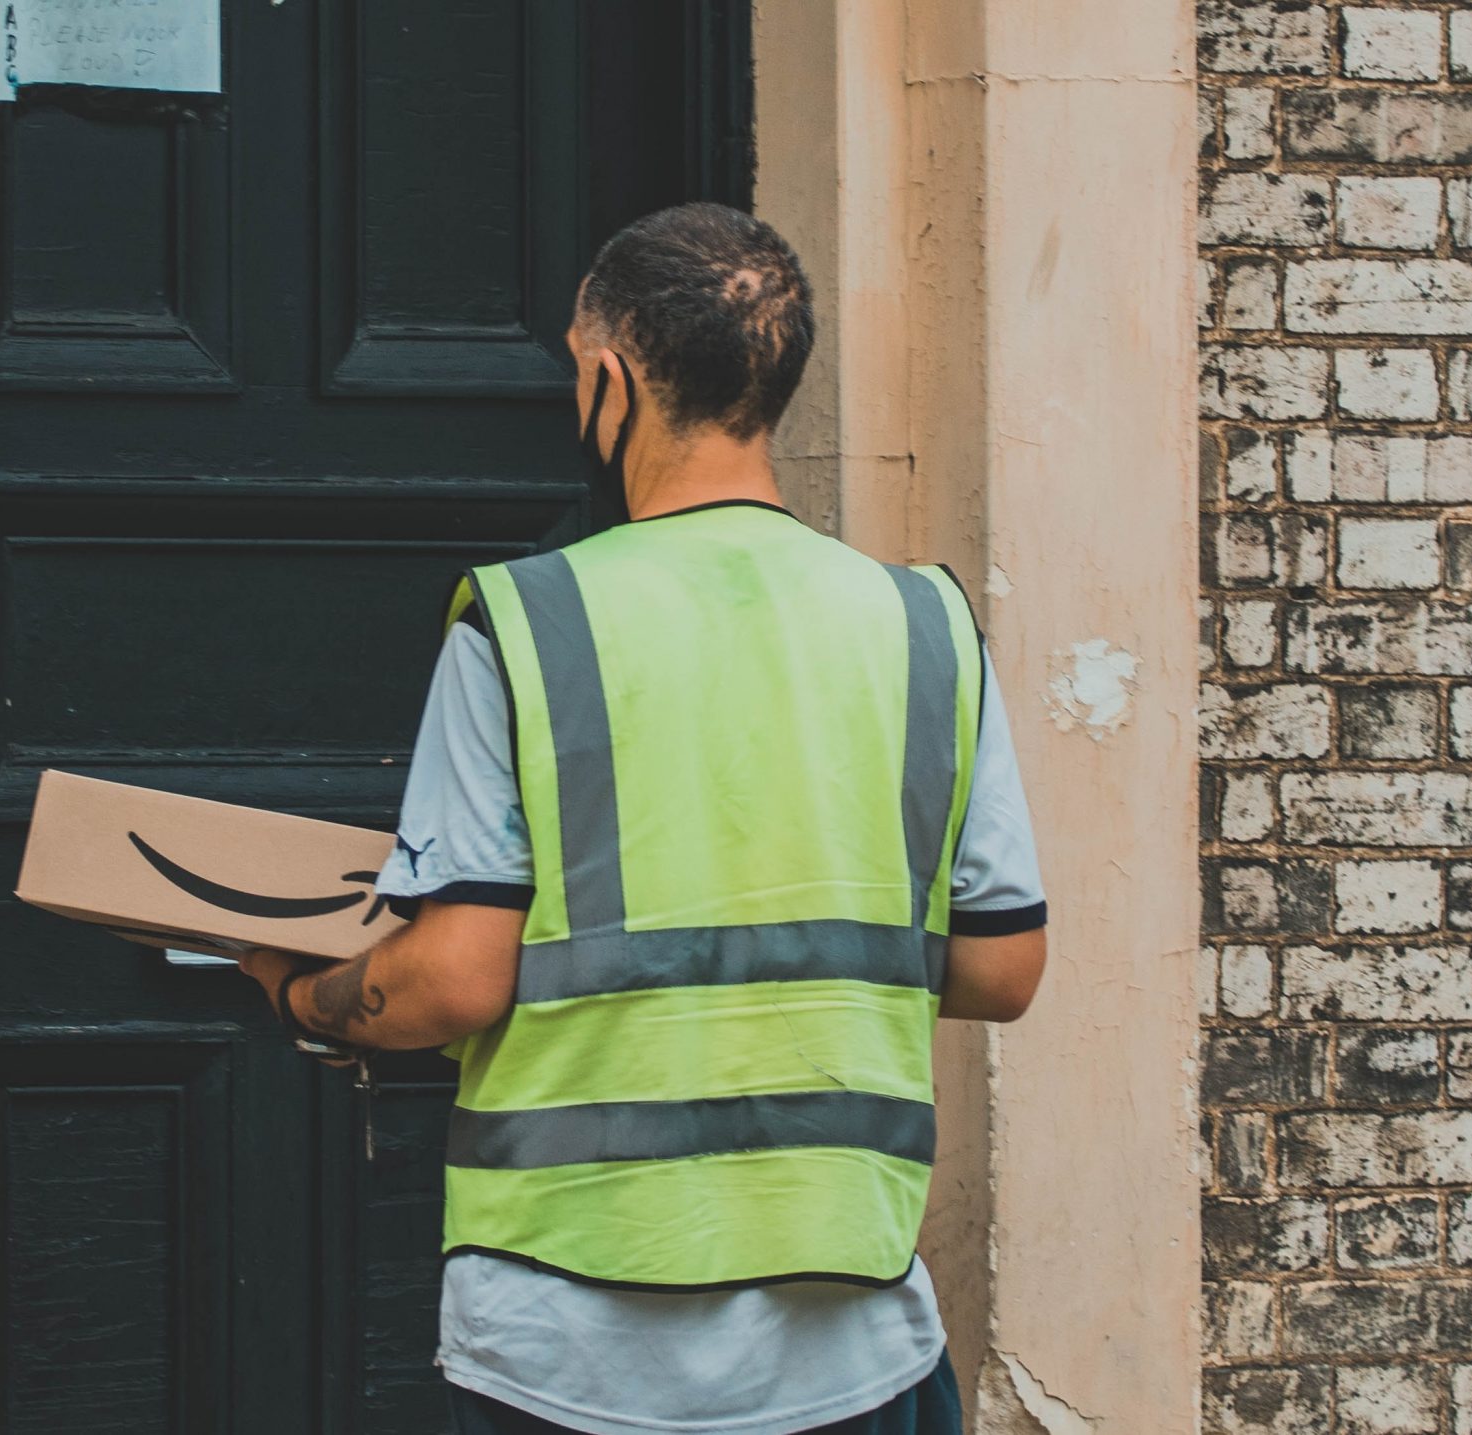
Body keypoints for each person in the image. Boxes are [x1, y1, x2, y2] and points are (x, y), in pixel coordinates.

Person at [242, 202, 1048, 1435]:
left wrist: (305, 997)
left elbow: (453, 981)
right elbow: (1000, 965)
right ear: (771, 384)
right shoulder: (924, 627)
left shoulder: (526, 624)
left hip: (567, 1340)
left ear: (609, 376)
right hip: (851, 1333)